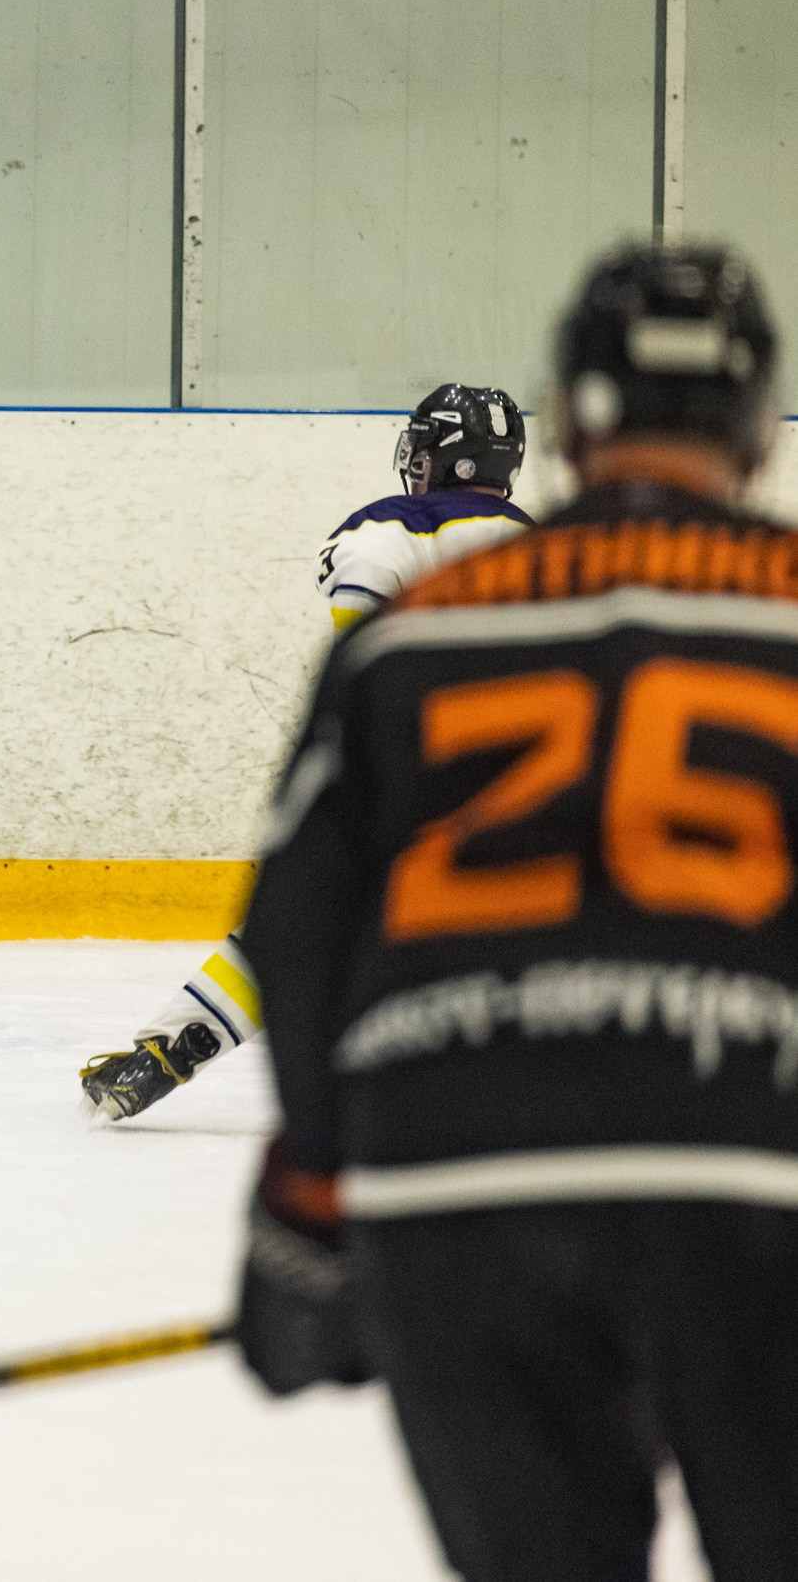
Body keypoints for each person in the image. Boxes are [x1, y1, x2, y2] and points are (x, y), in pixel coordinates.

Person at [236, 243, 798, 1580]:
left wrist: (313, 1194)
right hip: (757, 1175)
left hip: (459, 1186)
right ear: (753, 429)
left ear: (571, 409)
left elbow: (301, 923)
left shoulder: (412, 628)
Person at [80, 384, 533, 1119]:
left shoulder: (385, 528)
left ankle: (165, 1052)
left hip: (421, 764)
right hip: (545, 772)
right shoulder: (559, 538)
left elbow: (360, 660)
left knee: (302, 918)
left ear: (439, 457)